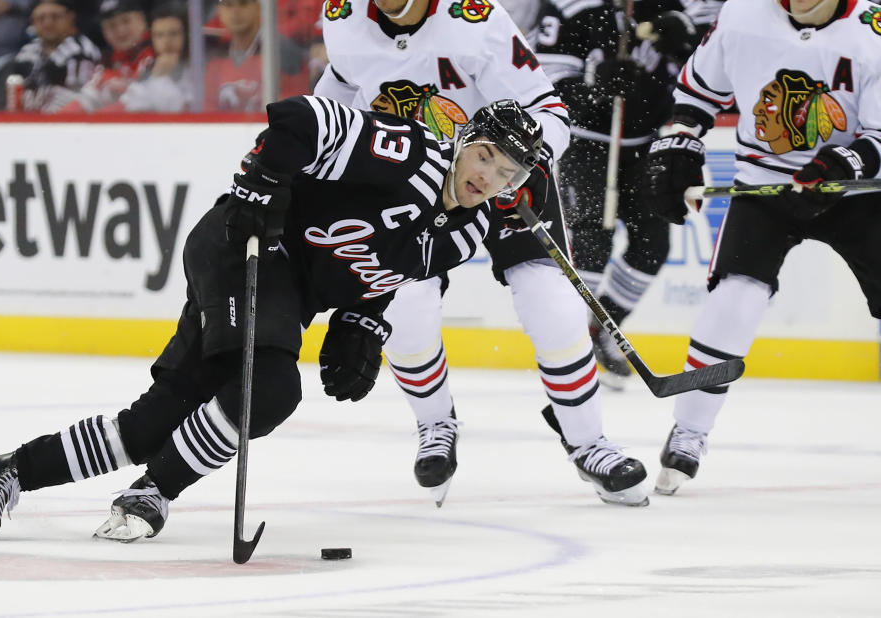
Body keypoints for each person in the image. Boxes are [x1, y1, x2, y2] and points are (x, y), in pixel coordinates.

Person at [0, 95, 545, 542]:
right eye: (486, 157)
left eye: (507, 174)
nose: (487, 177)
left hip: (284, 291)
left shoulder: (470, 232)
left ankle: (9, 470)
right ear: (465, 138)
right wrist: (261, 180)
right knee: (273, 388)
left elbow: (384, 276)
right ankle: (155, 491)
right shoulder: (405, 152)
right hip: (244, 248)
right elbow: (301, 120)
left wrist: (362, 324)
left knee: (157, 422)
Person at [315, 0, 649, 507]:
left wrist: (523, 168)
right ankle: (434, 426)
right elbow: (337, 91)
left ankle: (587, 441)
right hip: (410, 186)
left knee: (552, 303)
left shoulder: (474, 21)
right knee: (404, 307)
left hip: (498, 179)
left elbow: (549, 112)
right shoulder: (341, 15)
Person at [640, 0, 881, 495]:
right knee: (736, 295)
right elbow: (696, 93)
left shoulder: (872, 30)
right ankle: (689, 430)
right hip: (765, 185)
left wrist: (842, 165)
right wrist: (681, 140)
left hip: (860, 192)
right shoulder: (743, 13)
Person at [534, 0, 701, 389]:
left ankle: (602, 330)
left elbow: (708, 70)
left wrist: (685, 46)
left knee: (653, 244)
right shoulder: (574, 8)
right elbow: (542, 76)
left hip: (645, 144)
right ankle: (572, 349)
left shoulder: (669, 7)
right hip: (588, 144)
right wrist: (592, 87)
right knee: (592, 240)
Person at [203, 0, 309, 112]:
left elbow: (292, 106)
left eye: (243, 4)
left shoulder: (281, 50)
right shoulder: (214, 54)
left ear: (259, 8)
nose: (235, 12)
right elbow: (208, 107)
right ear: (219, 11)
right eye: (228, 5)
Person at [4, 0, 101, 112]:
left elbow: (80, 102)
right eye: (41, 18)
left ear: (70, 17)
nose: (47, 23)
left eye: (55, 17)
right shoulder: (27, 52)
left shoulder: (83, 52)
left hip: (64, 123)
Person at [56, 0, 152, 112]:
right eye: (112, 26)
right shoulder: (107, 61)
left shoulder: (159, 52)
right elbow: (86, 99)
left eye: (126, 21)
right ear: (104, 31)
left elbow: (145, 101)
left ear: (142, 20)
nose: (120, 30)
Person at [108, 2, 192, 113]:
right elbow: (128, 108)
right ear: (152, 39)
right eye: (159, 35)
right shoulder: (145, 70)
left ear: (186, 36)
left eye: (173, 33)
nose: (166, 41)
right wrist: (157, 77)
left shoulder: (203, 67)